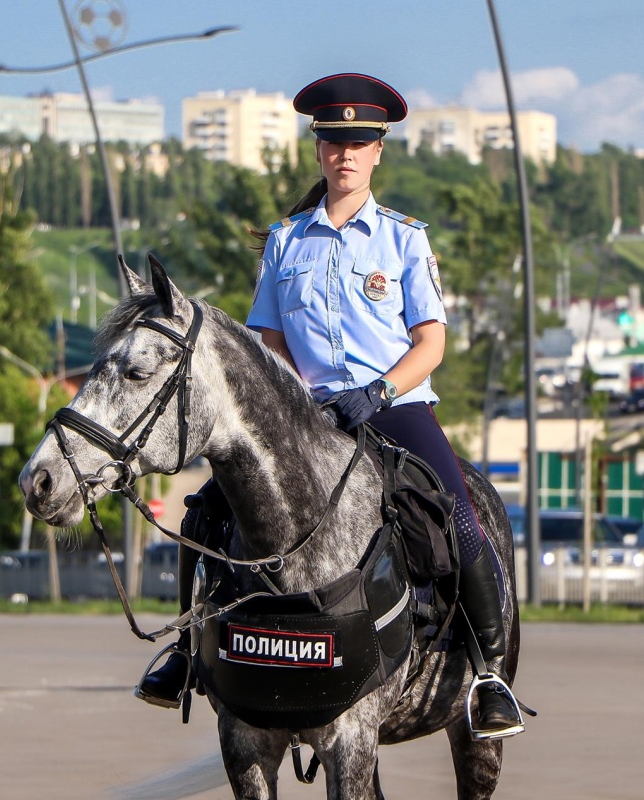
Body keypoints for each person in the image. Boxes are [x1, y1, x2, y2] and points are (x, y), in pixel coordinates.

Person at [137, 73, 525, 740]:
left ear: (378, 152)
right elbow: (268, 341)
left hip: (393, 405)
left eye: (359, 141)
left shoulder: (404, 239)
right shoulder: (286, 241)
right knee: (207, 508)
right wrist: (293, 399)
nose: (345, 152)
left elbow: (430, 344)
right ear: (318, 151)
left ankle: (488, 674)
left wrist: (378, 391)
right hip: (307, 415)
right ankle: (183, 653)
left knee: (460, 515)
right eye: (333, 141)